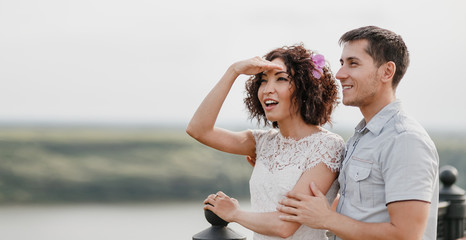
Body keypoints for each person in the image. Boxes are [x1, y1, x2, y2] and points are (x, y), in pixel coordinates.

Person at [278, 26, 439, 240]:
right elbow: (358, 208)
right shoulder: (362, 137)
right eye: (342, 63)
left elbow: (406, 235)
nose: (340, 74)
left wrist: (327, 219)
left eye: (353, 63)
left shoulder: (405, 140)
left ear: (387, 72)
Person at [186, 44, 345, 239]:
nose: (268, 90)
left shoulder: (327, 146)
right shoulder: (262, 142)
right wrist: (233, 71)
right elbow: (198, 129)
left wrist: (234, 213)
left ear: (305, 87)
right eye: (263, 81)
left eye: (281, 79)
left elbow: (285, 226)